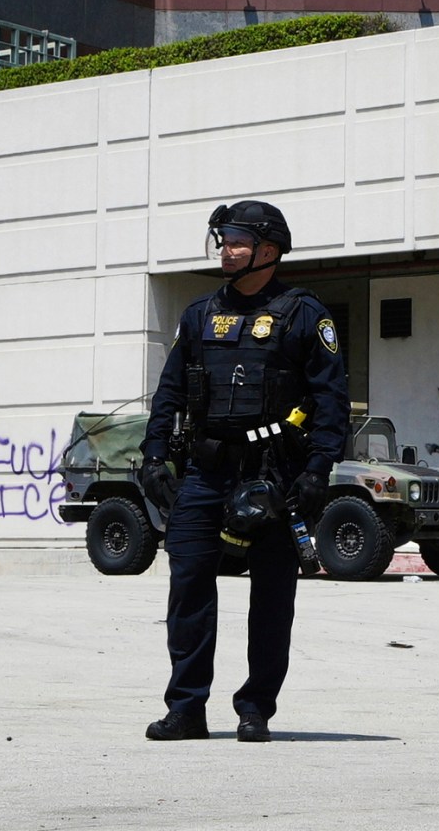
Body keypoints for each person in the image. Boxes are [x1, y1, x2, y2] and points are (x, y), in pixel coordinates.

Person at [136, 201, 349, 743]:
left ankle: (255, 708)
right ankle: (186, 709)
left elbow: (331, 401)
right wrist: (154, 454)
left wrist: (318, 471)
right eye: (223, 240)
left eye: (235, 241)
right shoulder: (199, 314)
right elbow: (170, 392)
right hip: (204, 474)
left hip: (275, 475)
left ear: (268, 251)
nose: (225, 250)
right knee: (187, 587)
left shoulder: (305, 315)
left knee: (272, 597)